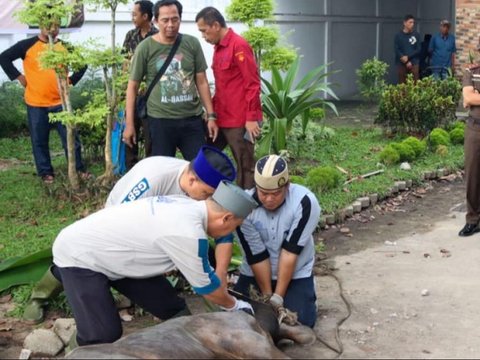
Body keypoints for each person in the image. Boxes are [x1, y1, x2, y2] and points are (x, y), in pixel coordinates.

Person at [23, 145, 237, 322]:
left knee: (174, 303)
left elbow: (222, 230)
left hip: (157, 236)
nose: (205, 200)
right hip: (116, 232)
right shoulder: (153, 179)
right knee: (97, 315)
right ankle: (40, 297)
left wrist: (220, 273)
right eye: (206, 195)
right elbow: (121, 224)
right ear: (192, 181)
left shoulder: (202, 188)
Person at [51, 181, 258, 347]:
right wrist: (235, 305)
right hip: (81, 255)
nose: (231, 232)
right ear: (226, 218)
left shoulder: (186, 204)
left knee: (172, 309)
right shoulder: (188, 233)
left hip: (120, 256)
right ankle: (76, 350)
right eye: (234, 226)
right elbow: (208, 288)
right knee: (103, 335)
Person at [233, 155, 321, 327]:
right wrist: (267, 298)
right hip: (255, 270)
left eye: (276, 193)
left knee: (302, 321)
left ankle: (306, 291)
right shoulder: (243, 205)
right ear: (256, 186)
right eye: (264, 193)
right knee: (239, 321)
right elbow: (256, 255)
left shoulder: (305, 202)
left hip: (295, 270)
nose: (269, 199)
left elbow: (290, 252)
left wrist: (278, 298)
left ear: (287, 186)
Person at [124, 0, 218, 161]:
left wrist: (211, 116)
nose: (170, 25)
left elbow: (201, 81)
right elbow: (132, 87)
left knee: (199, 169)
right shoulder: (145, 48)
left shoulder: (192, 44)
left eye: (175, 19)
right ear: (155, 21)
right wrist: (130, 124)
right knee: (161, 172)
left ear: (180, 19)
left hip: (192, 121)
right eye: (165, 20)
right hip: (160, 122)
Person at [0, 24, 87, 184]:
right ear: (41, 26)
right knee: (39, 140)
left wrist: (70, 81)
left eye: (56, 26)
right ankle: (45, 172)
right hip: (36, 102)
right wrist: (19, 77)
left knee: (71, 139)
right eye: (49, 25)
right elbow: (3, 57)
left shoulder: (65, 46)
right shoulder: (27, 45)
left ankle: (78, 169)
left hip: (61, 102)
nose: (53, 29)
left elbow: (82, 65)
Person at [195, 7, 262, 189]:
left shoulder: (238, 45)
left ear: (215, 25)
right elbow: (222, 86)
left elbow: (252, 84)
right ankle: (209, 196)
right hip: (221, 116)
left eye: (204, 30)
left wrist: (251, 118)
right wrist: (212, 116)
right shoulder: (218, 48)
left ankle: (246, 208)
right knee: (206, 156)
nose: (203, 36)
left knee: (245, 165)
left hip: (240, 120)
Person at [122, 0, 158, 169]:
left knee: (151, 135)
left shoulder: (158, 37)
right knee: (130, 131)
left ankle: (150, 169)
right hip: (132, 94)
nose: (132, 18)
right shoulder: (130, 35)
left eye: (135, 14)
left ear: (145, 16)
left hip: (151, 96)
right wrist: (124, 88)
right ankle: (131, 169)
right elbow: (124, 62)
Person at [459, 43, 480, 237]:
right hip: (475, 129)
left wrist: (476, 95)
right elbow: (468, 98)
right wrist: (472, 96)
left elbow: (474, 98)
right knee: (473, 175)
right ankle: (473, 220)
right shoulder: (471, 72)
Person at [394, 14, 421, 84]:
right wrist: (405, 60)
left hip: (414, 63)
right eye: (410, 22)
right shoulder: (398, 35)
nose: (412, 24)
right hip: (401, 63)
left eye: (413, 23)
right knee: (402, 85)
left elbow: (418, 49)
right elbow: (397, 49)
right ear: (404, 23)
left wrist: (408, 58)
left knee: (415, 84)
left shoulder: (416, 35)